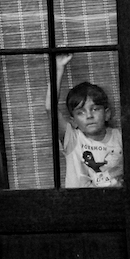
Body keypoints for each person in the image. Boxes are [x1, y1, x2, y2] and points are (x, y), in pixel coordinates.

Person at [45, 53, 124, 188]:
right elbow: (50, 107)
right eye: (80, 112)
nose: (89, 116)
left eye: (95, 109)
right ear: (74, 121)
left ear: (107, 114)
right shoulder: (73, 139)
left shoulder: (120, 137)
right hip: (80, 205)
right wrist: (58, 67)